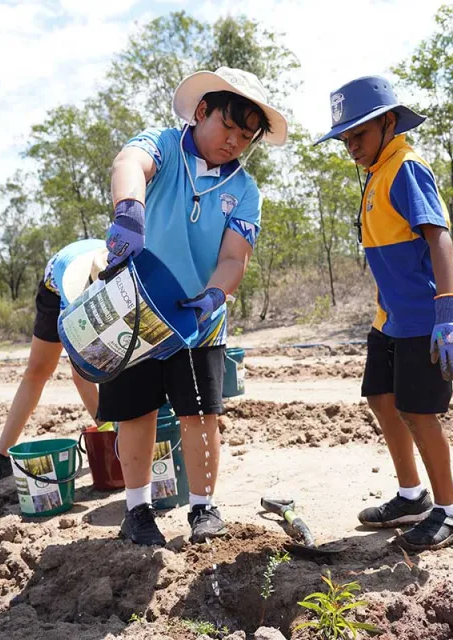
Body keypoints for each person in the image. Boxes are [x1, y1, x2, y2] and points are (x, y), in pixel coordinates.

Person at [98, 66, 288, 546]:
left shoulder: (244, 192)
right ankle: (138, 511)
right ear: (203, 111)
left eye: (246, 136)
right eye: (228, 127)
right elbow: (127, 163)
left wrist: (215, 295)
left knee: (201, 414)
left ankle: (203, 508)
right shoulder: (162, 145)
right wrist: (130, 211)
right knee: (136, 413)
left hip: (197, 319)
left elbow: (232, 258)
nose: (234, 142)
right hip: (136, 308)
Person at [315, 75, 453, 551]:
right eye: (344, 139)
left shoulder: (406, 167)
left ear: (388, 123)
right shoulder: (375, 173)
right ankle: (412, 496)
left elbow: (439, 237)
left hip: (427, 319)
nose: (351, 146)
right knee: (381, 399)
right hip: (390, 318)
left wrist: (448, 315)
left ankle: (450, 512)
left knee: (418, 411)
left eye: (358, 135)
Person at [0, 240, 107, 491]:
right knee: (39, 370)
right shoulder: (71, 288)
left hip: (100, 281)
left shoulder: (126, 272)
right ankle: (0, 459)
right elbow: (81, 373)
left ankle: (116, 438)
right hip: (54, 290)